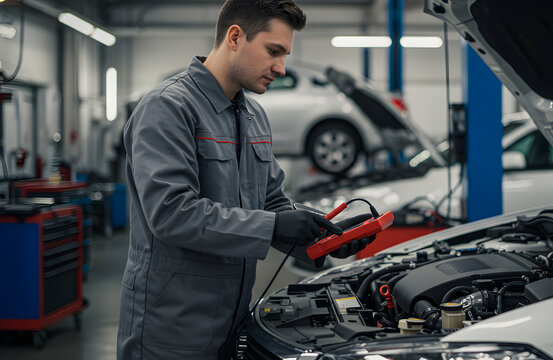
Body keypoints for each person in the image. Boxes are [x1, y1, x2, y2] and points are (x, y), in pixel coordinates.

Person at [117, 1, 375, 359]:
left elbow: (271, 203)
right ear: (235, 37)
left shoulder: (254, 116)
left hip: (234, 322)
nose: (281, 68)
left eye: (285, 54)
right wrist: (274, 227)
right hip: (170, 329)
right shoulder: (167, 108)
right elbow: (172, 214)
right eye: (274, 51)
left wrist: (321, 241)